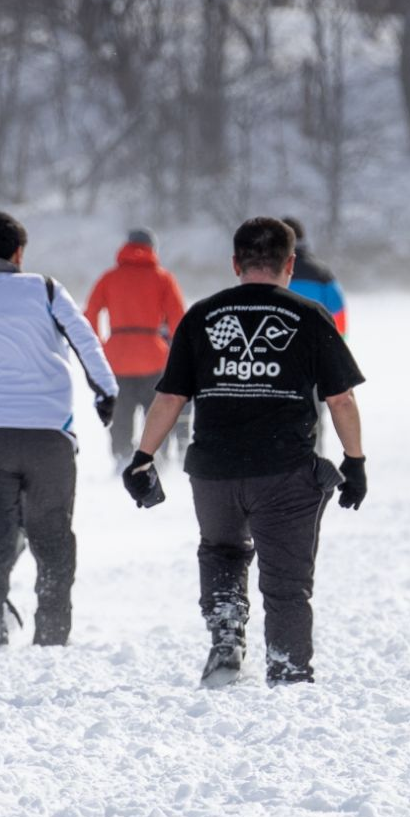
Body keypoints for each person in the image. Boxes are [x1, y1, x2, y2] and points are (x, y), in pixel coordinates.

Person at [122, 216, 366, 686]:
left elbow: (170, 397)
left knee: (222, 551)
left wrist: (142, 457)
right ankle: (289, 670)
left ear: (235, 264)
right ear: (289, 264)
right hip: (285, 470)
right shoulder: (309, 315)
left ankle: (227, 637)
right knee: (286, 581)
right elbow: (341, 399)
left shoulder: (202, 316)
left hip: (214, 470)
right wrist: (355, 462)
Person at [0, 210, 117, 649]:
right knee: (53, 538)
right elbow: (84, 338)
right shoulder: (46, 288)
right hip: (50, 434)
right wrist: (105, 391)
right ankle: (52, 637)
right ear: (19, 253)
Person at [83, 228, 188, 464]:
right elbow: (178, 319)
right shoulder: (163, 278)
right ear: (153, 248)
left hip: (117, 357)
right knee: (157, 412)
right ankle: (157, 458)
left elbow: (90, 314)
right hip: (154, 356)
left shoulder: (109, 277)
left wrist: (99, 345)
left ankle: (121, 458)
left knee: (121, 414)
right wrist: (177, 352)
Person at [282, 218, 348, 332]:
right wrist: (338, 341)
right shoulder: (322, 273)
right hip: (316, 340)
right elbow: (338, 314)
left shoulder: (265, 273)